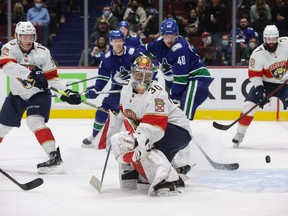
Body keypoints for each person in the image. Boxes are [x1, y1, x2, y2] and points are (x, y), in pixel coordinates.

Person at [99, 55, 192, 196]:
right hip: (155, 127)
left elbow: (154, 128)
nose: (142, 80)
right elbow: (124, 116)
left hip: (177, 130)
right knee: (131, 145)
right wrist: (111, 136)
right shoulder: (126, 87)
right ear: (132, 73)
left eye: (147, 76)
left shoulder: (157, 92)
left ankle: (170, 180)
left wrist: (138, 144)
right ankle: (173, 167)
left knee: (141, 145)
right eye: (139, 75)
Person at [0, 21, 82, 174]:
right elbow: (7, 67)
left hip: (38, 95)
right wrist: (31, 74)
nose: (28, 39)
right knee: (1, 128)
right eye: (24, 36)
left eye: (30, 35)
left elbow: (52, 77)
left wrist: (66, 93)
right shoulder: (9, 48)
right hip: (17, 95)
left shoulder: (43, 52)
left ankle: (54, 156)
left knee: (34, 121)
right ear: (17, 36)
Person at [133, 18, 213, 120]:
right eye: (167, 36)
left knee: (183, 112)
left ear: (177, 35)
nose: (170, 39)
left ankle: (184, 133)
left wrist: (174, 97)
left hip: (197, 78)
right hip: (187, 79)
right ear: (162, 35)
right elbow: (143, 48)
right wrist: (138, 54)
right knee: (177, 111)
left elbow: (180, 79)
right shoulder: (159, 43)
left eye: (173, 36)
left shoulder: (180, 48)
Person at [232, 25, 288, 148]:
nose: (271, 42)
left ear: (278, 38)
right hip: (265, 84)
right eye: (268, 39)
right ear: (264, 39)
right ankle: (240, 134)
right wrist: (260, 89)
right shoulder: (257, 54)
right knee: (248, 106)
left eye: (274, 39)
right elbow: (254, 75)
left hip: (285, 83)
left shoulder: (286, 43)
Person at [82, 30, 134, 146]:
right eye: (115, 41)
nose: (118, 44)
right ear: (110, 42)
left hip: (135, 89)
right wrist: (96, 89)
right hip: (117, 88)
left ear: (123, 41)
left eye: (120, 41)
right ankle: (94, 136)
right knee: (102, 111)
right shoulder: (107, 58)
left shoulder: (132, 53)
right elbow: (102, 78)